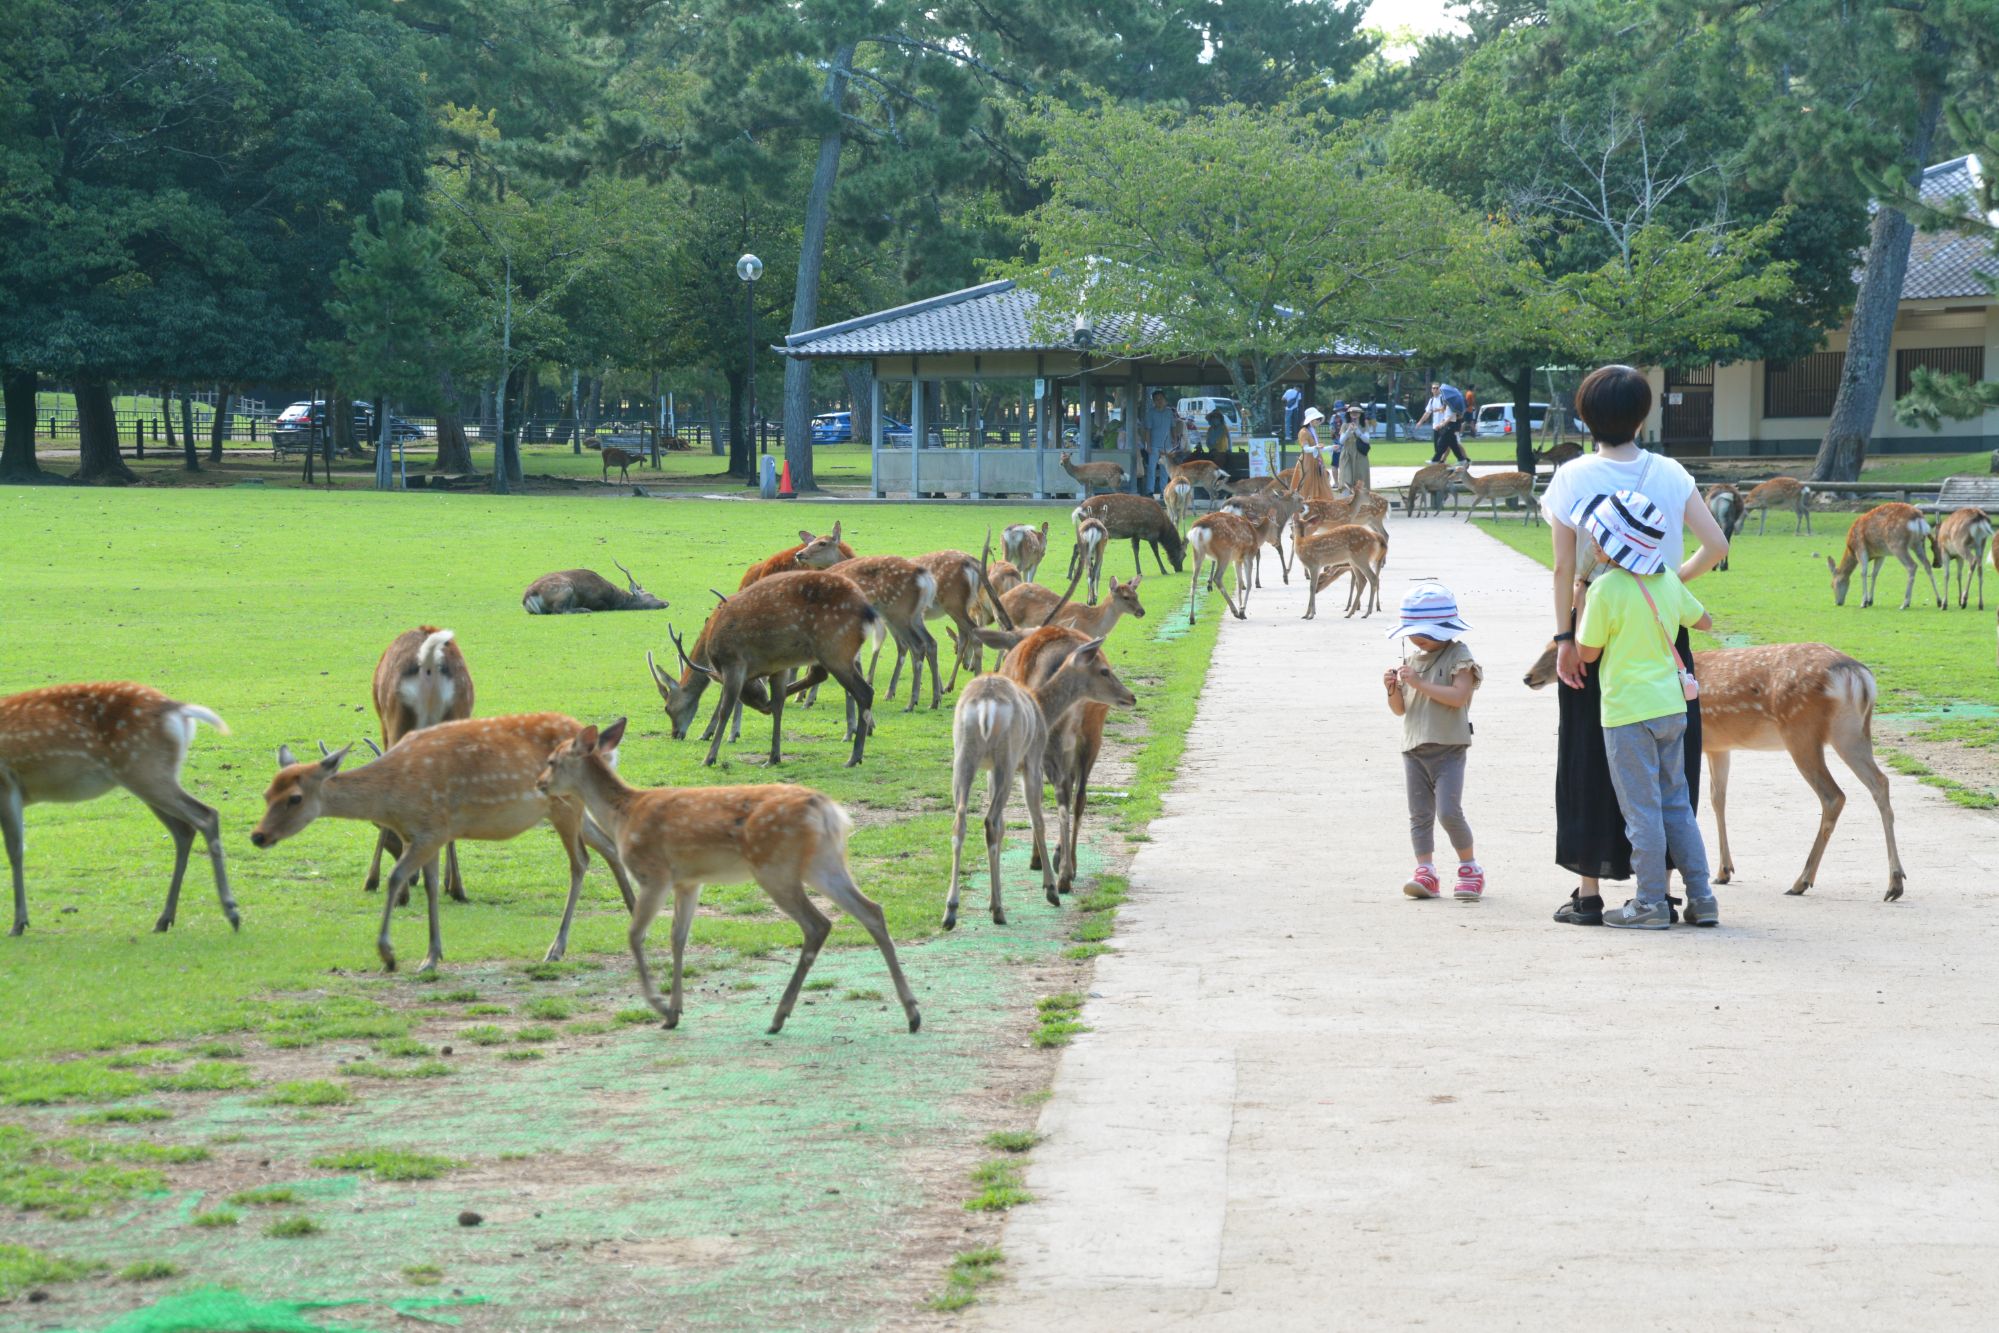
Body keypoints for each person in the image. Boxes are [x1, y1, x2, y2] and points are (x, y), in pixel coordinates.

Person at [1540, 364, 1729, 927]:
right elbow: (1715, 544)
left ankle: (1590, 890)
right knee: (1669, 774)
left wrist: (1565, 638)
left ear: (1584, 417)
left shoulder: (1572, 477)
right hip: (1663, 643)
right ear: (1643, 416)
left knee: (1588, 757)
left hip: (1594, 630)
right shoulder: (1671, 472)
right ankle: (1665, 891)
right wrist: (1664, 585)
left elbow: (1562, 567)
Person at [1575, 490, 1718, 929]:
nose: (1592, 546)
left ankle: (1651, 901)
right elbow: (1704, 621)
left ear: (1612, 545)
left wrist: (1581, 601)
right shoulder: (1667, 581)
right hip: (1673, 708)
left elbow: (1587, 652)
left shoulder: (1605, 589)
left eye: (1597, 539)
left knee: (1642, 810)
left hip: (1627, 714)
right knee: (1677, 805)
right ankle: (1702, 897)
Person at [1383, 584, 1484, 901]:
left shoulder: (1459, 656)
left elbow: (1457, 697)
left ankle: (1470, 868)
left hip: (1448, 748)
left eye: (1423, 633)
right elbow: (1402, 710)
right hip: (1414, 748)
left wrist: (1419, 683)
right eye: (1413, 633)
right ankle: (1425, 871)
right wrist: (1392, 689)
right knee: (1419, 814)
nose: (1416, 639)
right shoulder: (1413, 661)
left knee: (1448, 812)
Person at [1418, 381, 1469, 464]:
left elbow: (1449, 417)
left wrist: (1442, 424)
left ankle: (1436, 460)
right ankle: (1462, 460)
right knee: (1453, 444)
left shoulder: (1451, 406)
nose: (1436, 390)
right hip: (1448, 426)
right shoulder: (1447, 404)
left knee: (1442, 444)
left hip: (1449, 426)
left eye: (1437, 388)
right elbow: (1446, 415)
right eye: (1433, 388)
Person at [1142, 389, 1181, 495]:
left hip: (1167, 446)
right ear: (1153, 401)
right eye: (1156, 399)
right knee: (1151, 469)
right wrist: (1148, 445)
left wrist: (1175, 441)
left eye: (1161, 399)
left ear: (1165, 400)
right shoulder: (1150, 413)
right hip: (1154, 446)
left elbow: (1173, 427)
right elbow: (1147, 430)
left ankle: (1164, 491)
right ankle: (1150, 491)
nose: (1159, 401)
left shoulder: (1169, 412)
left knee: (1165, 470)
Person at [1336, 406, 1371, 490]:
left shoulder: (1364, 425)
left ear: (1360, 414)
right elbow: (1341, 441)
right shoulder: (1344, 425)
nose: (1354, 414)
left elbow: (1366, 440)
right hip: (1347, 454)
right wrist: (1348, 431)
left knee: (1360, 479)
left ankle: (1360, 500)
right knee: (1346, 478)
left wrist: (1357, 431)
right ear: (1349, 414)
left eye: (1357, 412)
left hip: (1360, 454)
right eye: (1352, 412)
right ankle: (1346, 500)